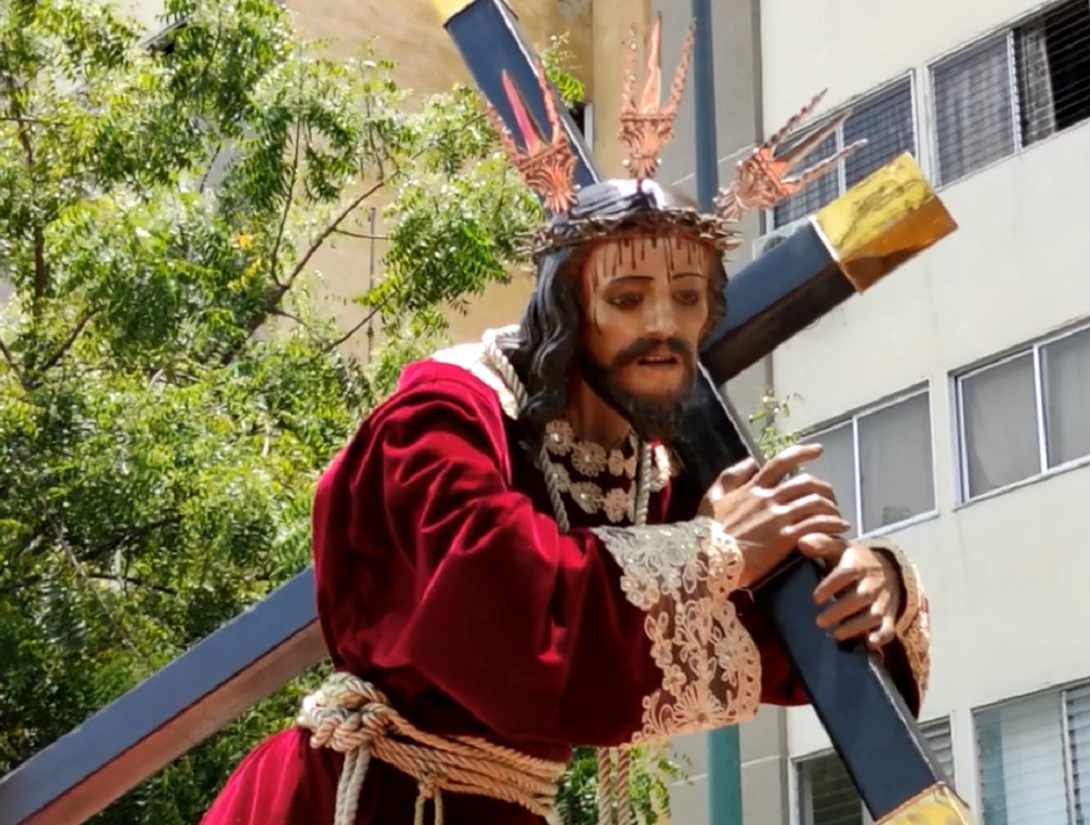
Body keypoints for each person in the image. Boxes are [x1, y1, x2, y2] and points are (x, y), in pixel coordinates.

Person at [199, 19, 930, 825]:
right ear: (568, 309)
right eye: (626, 298)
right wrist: (716, 549)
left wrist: (866, 589)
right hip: (365, 795)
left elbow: (749, 636)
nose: (663, 324)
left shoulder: (652, 471)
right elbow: (495, 618)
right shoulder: (445, 414)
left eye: (687, 299)